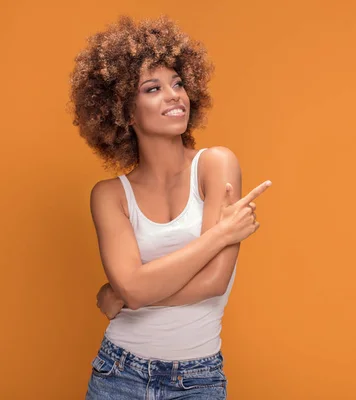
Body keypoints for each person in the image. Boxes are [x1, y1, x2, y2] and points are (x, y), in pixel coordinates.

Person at [69, 15, 271, 399]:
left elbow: (214, 284)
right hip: (118, 373)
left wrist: (124, 295)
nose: (174, 95)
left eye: (178, 84)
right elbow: (133, 286)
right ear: (125, 112)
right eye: (153, 88)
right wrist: (222, 235)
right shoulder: (109, 195)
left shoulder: (216, 165)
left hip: (197, 380)